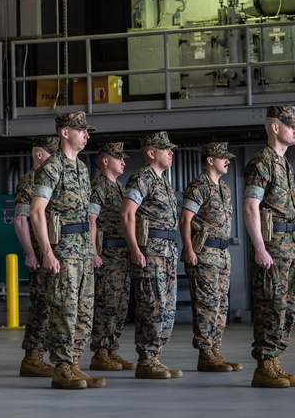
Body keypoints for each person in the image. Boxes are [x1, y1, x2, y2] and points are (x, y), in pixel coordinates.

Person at [30, 111, 105, 390]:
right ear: (64, 133)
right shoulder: (52, 167)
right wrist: (47, 252)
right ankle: (61, 367)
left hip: (84, 250)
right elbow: (37, 212)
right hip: (63, 251)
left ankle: (73, 363)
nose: (86, 135)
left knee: (84, 311)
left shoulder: (83, 169)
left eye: (87, 131)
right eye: (81, 130)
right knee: (64, 310)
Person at [244, 105, 295, 388]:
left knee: (288, 308)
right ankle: (264, 366)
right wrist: (260, 248)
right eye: (291, 125)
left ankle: (276, 362)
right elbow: (250, 207)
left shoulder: (285, 164)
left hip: (290, 245)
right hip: (273, 247)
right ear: (275, 127)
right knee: (272, 305)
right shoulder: (262, 162)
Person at [120, 131, 182, 380]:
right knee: (152, 306)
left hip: (167, 252)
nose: (170, 153)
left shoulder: (163, 181)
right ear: (150, 153)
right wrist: (135, 249)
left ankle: (155, 356)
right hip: (151, 252)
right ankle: (146, 360)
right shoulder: (142, 178)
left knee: (167, 308)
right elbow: (126, 214)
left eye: (170, 149)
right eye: (165, 149)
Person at [179, 142, 242, 373]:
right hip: (203, 255)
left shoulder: (224, 188)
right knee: (206, 306)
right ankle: (205, 353)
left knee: (220, 306)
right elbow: (185, 219)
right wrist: (188, 249)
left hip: (222, 255)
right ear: (209, 160)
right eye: (222, 157)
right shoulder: (199, 186)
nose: (227, 160)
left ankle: (215, 350)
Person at [13, 136, 59, 377]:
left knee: (52, 306)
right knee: (41, 306)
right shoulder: (30, 182)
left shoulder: (49, 178)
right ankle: (32, 357)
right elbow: (20, 219)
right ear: (39, 155)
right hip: (40, 257)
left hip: (51, 254)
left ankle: (43, 355)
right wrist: (30, 253)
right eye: (51, 154)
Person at [88, 142, 136, 372]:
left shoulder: (119, 187)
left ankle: (112, 349)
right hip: (106, 254)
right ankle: (100, 352)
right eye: (119, 158)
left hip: (121, 256)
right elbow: (91, 220)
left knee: (120, 306)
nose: (124, 163)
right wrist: (94, 253)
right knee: (106, 304)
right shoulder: (98, 186)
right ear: (106, 161)